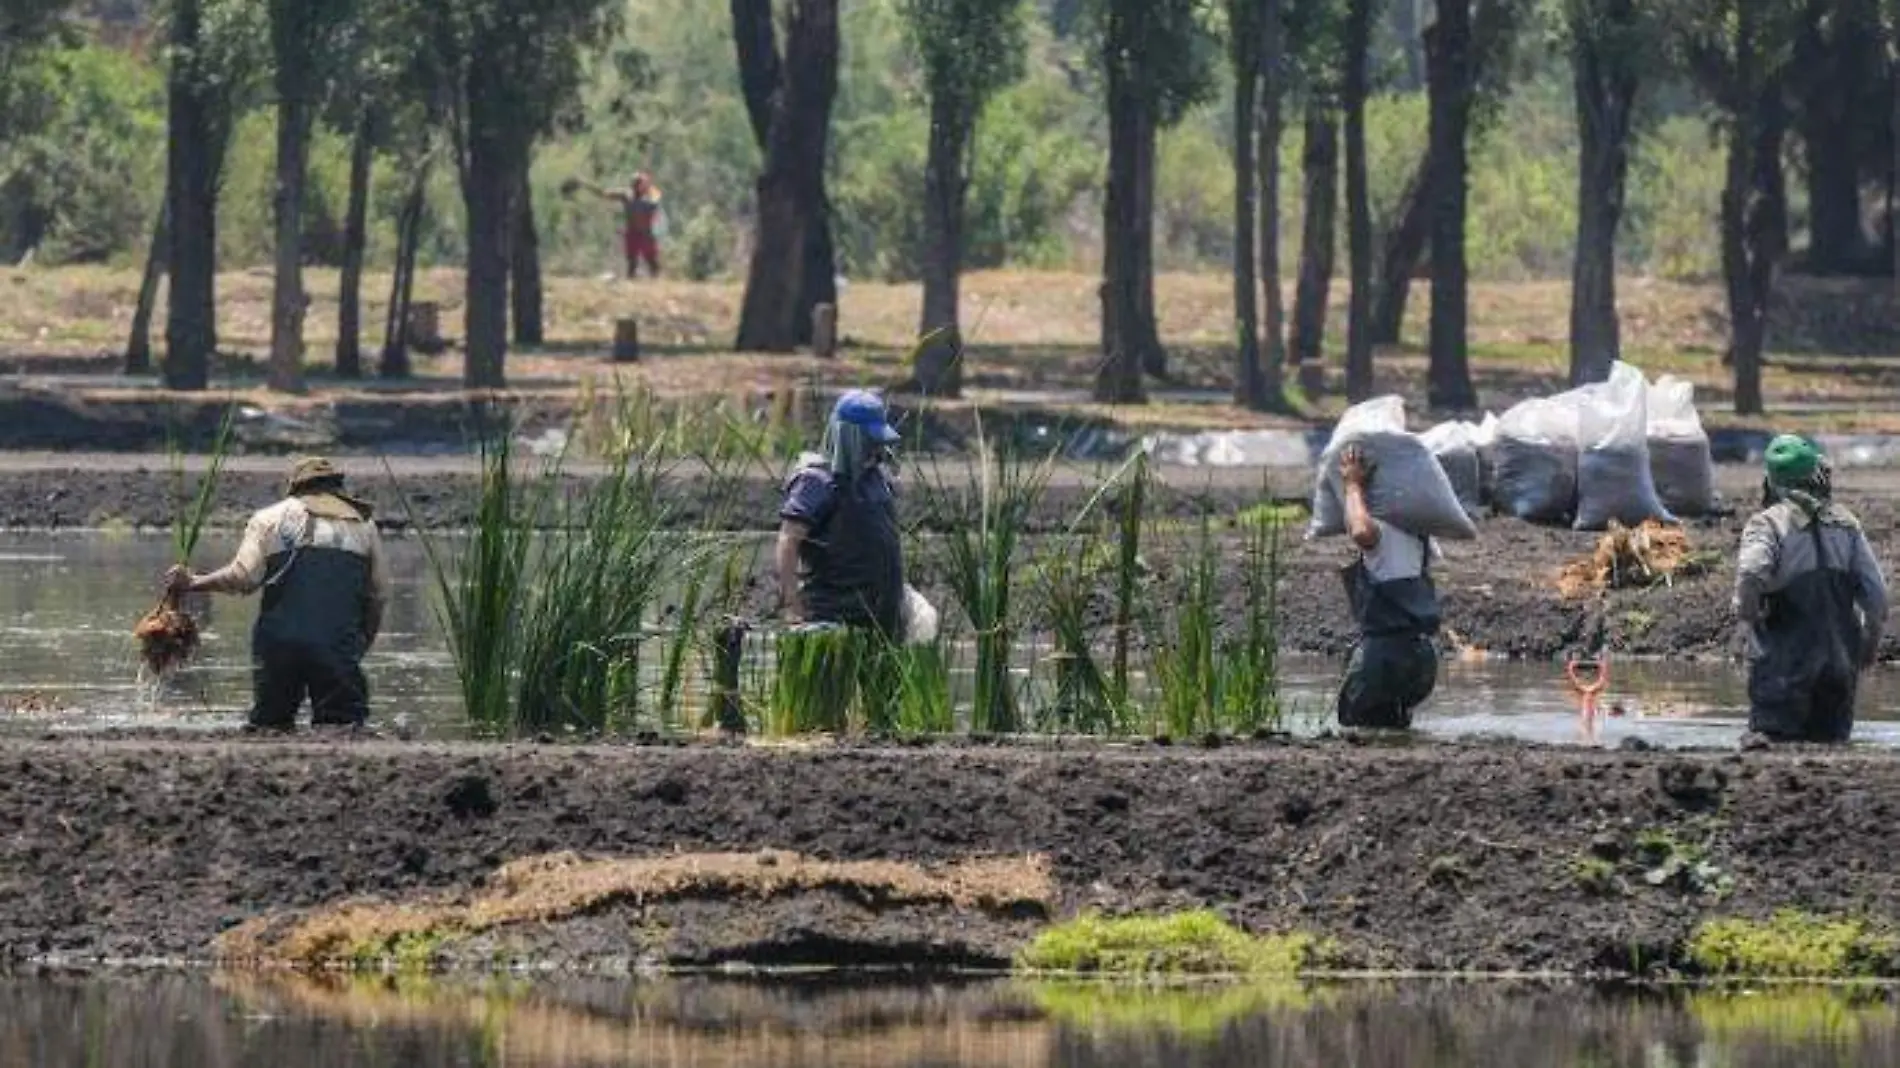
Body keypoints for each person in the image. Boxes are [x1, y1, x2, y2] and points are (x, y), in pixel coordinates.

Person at [165, 457, 389, 731]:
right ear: (338, 489)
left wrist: (194, 582)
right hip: (337, 643)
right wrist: (359, 644)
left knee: (271, 724)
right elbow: (377, 596)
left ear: (293, 486)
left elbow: (242, 578)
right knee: (342, 725)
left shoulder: (269, 518)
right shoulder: (363, 525)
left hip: (278, 644)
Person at [1734, 435, 1887, 743]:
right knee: (1832, 751)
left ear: (1771, 480)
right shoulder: (1846, 524)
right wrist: (1869, 645)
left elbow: (1751, 572)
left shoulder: (1768, 524)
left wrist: (1745, 620)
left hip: (1784, 671)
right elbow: (1877, 596)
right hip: (1840, 669)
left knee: (1770, 750)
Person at [776, 391, 905, 640]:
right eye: (868, 440)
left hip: (882, 617)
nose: (876, 447)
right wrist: (791, 606)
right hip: (834, 617)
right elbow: (788, 541)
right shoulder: (816, 481)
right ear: (849, 438)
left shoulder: (876, 477)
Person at [1336, 444, 1441, 728]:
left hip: (1385, 656)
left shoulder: (1381, 528)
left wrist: (1352, 485)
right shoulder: (1420, 533)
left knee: (1359, 727)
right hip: (1422, 658)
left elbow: (1361, 532)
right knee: (1395, 726)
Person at [577, 172, 664, 279]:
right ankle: (632, 286)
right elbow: (604, 193)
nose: (639, 186)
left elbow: (655, 201)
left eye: (641, 184)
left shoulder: (651, 197)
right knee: (632, 262)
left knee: (652, 263)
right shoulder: (627, 195)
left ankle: (655, 285)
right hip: (633, 233)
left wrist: (649, 189)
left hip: (646, 234)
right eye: (637, 184)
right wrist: (585, 184)